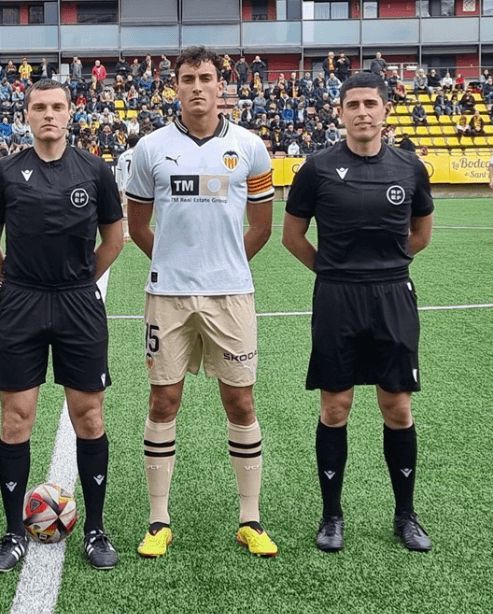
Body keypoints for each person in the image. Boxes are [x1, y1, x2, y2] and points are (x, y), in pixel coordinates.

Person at [125, 46, 278, 559]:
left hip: (231, 295)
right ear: (175, 86)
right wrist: (172, 259)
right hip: (166, 294)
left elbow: (261, 228)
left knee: (240, 400)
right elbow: (138, 225)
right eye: (187, 78)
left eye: (206, 77)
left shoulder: (252, 148)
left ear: (222, 85)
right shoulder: (150, 148)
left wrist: (227, 264)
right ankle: (158, 521)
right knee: (163, 400)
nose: (196, 86)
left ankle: (250, 519)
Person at [282, 72, 434, 553]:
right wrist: (332, 273)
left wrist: (386, 269)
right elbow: (292, 237)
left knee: (397, 406)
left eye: (371, 103)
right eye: (354, 104)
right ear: (340, 112)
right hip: (337, 297)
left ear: (386, 110)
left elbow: (421, 234)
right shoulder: (318, 168)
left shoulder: (410, 168)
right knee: (335, 407)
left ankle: (405, 515)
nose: (363, 112)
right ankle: (331, 516)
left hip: (392, 295)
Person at [0, 79, 124, 573]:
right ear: (26, 113)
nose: (48, 115)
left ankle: (97, 530)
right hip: (21, 303)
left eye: (56, 106)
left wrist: (82, 282)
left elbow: (114, 238)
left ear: (70, 113)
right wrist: (10, 288)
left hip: (77, 304)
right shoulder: (5, 172)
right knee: (16, 418)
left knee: (89, 416)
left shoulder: (95, 171)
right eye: (39, 107)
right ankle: (12, 532)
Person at [114, 133, 139, 241]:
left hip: (125, 186)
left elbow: (118, 174)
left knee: (125, 211)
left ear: (127, 143)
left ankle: (126, 234)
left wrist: (119, 188)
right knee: (138, 210)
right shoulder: (140, 154)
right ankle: (137, 233)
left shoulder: (123, 156)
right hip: (138, 187)